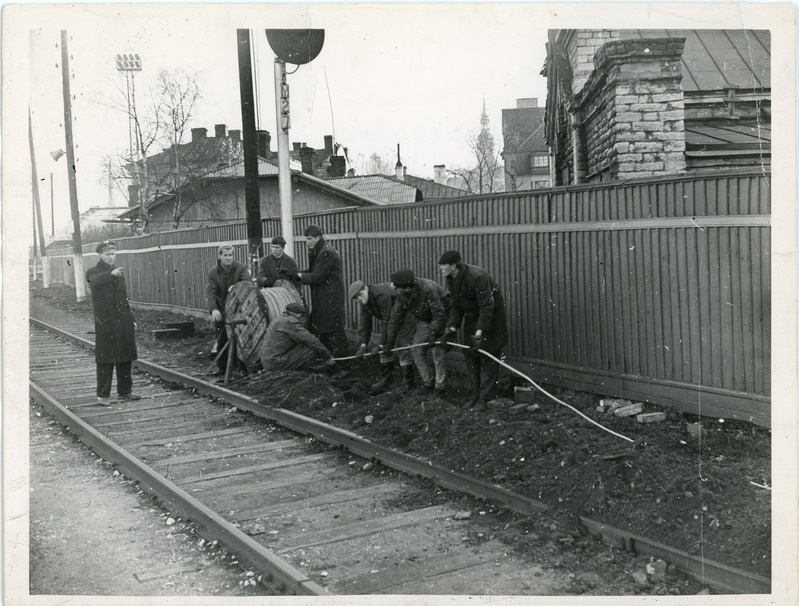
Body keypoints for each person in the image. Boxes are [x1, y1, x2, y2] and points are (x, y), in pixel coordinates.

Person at [438, 250, 508, 410]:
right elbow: (456, 305)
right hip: (472, 317)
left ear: (453, 266)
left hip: (491, 319)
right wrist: (451, 328)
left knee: (488, 356)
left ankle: (486, 399)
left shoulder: (477, 277)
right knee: (470, 355)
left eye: (443, 266)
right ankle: (475, 396)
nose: (441, 269)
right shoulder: (451, 279)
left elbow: (487, 306)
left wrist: (479, 332)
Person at [85, 241, 141, 405]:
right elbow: (94, 283)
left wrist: (131, 319)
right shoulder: (93, 272)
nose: (111, 257)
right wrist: (111, 275)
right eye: (108, 254)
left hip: (123, 320)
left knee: (125, 356)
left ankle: (125, 392)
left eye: (113, 254)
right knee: (106, 358)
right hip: (106, 321)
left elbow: (123, 299)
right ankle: (103, 396)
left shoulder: (118, 272)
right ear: (100, 255)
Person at [383, 269, 448, 395]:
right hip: (424, 320)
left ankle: (440, 388)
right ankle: (428, 383)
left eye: (398, 288)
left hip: (443, 317)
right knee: (416, 349)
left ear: (407, 288)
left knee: (437, 351)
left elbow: (439, 314)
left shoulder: (428, 289)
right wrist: (389, 342)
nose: (396, 291)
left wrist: (434, 334)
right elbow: (396, 318)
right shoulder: (401, 295)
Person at [349, 279, 416, 395]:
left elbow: (387, 321)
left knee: (402, 344)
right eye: (356, 298)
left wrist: (380, 345)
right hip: (392, 319)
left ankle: (408, 382)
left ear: (365, 288)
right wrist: (363, 345)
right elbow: (365, 324)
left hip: (405, 316)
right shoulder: (364, 302)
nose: (359, 299)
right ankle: (387, 380)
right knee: (385, 346)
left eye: (359, 295)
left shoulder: (381, 295)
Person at [294, 225, 348, 357]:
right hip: (324, 298)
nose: (307, 242)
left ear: (318, 237)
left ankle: (342, 365)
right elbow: (313, 272)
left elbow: (317, 276)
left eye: (310, 239)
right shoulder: (319, 250)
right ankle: (330, 361)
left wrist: (299, 276)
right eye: (306, 239)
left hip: (330, 298)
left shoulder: (326, 252)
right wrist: (296, 274)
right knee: (324, 330)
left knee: (334, 331)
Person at [205, 244, 252, 375]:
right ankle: (223, 369)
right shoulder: (213, 273)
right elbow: (211, 293)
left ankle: (242, 368)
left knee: (242, 339)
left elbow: (248, 284)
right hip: (222, 311)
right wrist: (213, 309)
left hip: (239, 310)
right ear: (220, 256)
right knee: (222, 339)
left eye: (230, 255)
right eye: (225, 255)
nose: (228, 258)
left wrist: (237, 286)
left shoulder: (241, 268)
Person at [261, 302, 334, 372]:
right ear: (301, 316)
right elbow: (310, 340)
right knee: (311, 349)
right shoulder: (290, 322)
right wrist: (327, 355)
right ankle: (307, 371)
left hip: (268, 362)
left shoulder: (278, 320)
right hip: (276, 363)